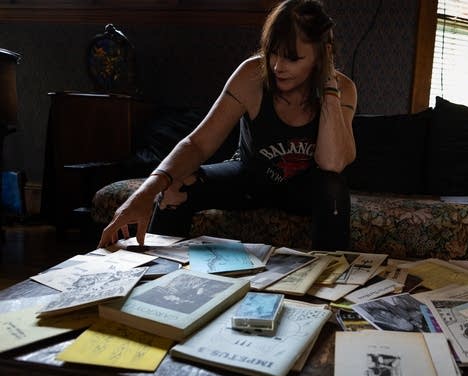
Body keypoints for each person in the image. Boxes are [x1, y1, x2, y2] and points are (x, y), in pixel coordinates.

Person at [98, 0, 358, 251]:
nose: (278, 66)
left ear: (322, 55)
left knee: (333, 188)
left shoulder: (343, 89)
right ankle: (156, 277)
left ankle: (327, 284)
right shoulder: (252, 75)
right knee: (177, 186)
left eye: (292, 58)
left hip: (303, 190)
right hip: (250, 179)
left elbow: (332, 163)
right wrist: (143, 194)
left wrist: (328, 86)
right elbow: (197, 144)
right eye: (273, 52)